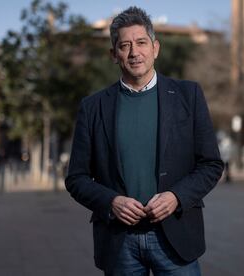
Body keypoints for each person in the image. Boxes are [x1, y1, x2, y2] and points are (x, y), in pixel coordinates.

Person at [65, 6, 223, 275]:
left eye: (141, 43)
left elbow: (211, 164)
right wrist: (111, 202)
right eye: (124, 46)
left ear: (155, 48)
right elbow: (76, 178)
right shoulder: (93, 107)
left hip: (176, 237)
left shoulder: (189, 96)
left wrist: (176, 196)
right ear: (114, 55)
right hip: (119, 242)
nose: (134, 52)